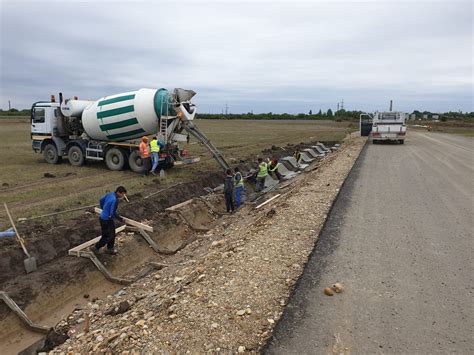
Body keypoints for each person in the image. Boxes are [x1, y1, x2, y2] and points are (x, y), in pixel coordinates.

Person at [92, 186, 127, 255]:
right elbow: (113, 213)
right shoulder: (115, 200)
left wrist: (103, 208)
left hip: (105, 217)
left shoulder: (110, 194)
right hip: (106, 219)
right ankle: (96, 247)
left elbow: (101, 200)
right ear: (118, 193)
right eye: (122, 194)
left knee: (113, 233)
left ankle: (110, 248)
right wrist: (121, 219)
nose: (123, 196)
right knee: (107, 236)